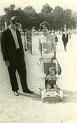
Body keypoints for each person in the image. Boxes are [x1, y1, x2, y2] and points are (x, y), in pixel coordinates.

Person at [1, 16, 33, 96]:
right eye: (16, 25)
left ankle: (25, 88)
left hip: (19, 55)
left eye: (18, 25)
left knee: (23, 72)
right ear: (11, 23)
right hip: (11, 57)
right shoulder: (5, 33)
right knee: (12, 73)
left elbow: (21, 45)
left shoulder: (18, 32)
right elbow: (3, 48)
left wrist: (23, 55)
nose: (17, 26)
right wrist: (6, 59)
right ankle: (15, 89)